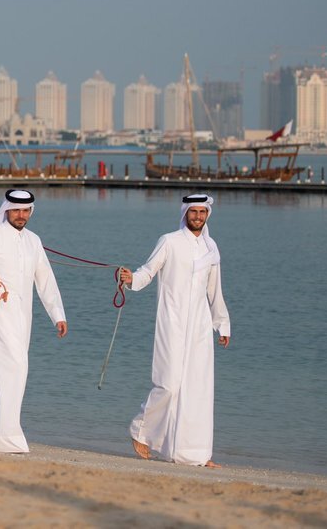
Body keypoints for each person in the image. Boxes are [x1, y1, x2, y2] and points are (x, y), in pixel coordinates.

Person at [119, 193, 230, 468]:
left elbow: (214, 289)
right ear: (185, 213)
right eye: (193, 212)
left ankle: (196, 454)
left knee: (197, 390)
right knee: (168, 383)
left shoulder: (211, 248)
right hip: (171, 322)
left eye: (202, 213)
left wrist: (222, 323)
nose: (198, 217)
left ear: (207, 215)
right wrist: (131, 278)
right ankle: (140, 430)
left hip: (200, 327)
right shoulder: (169, 241)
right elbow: (148, 270)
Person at [0, 189, 67, 453]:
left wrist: (57, 315)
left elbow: (45, 280)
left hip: (24, 316)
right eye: (16, 210)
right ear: (6, 210)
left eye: (26, 211)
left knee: (10, 372)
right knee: (13, 368)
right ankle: (5, 437)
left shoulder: (34, 241)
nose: (21, 216)